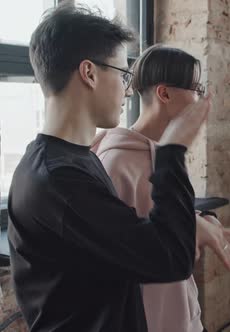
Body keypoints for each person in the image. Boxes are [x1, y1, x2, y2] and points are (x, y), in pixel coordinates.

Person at [7, 4, 210, 331]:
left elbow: (134, 244)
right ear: (89, 73)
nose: (128, 90)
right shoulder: (59, 180)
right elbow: (169, 257)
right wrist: (173, 148)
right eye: (123, 74)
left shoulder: (70, 160)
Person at [91, 44, 230, 332]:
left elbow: (163, 224)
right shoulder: (117, 162)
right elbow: (129, 255)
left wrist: (198, 221)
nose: (201, 98)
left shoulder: (163, 154)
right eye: (196, 88)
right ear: (165, 93)